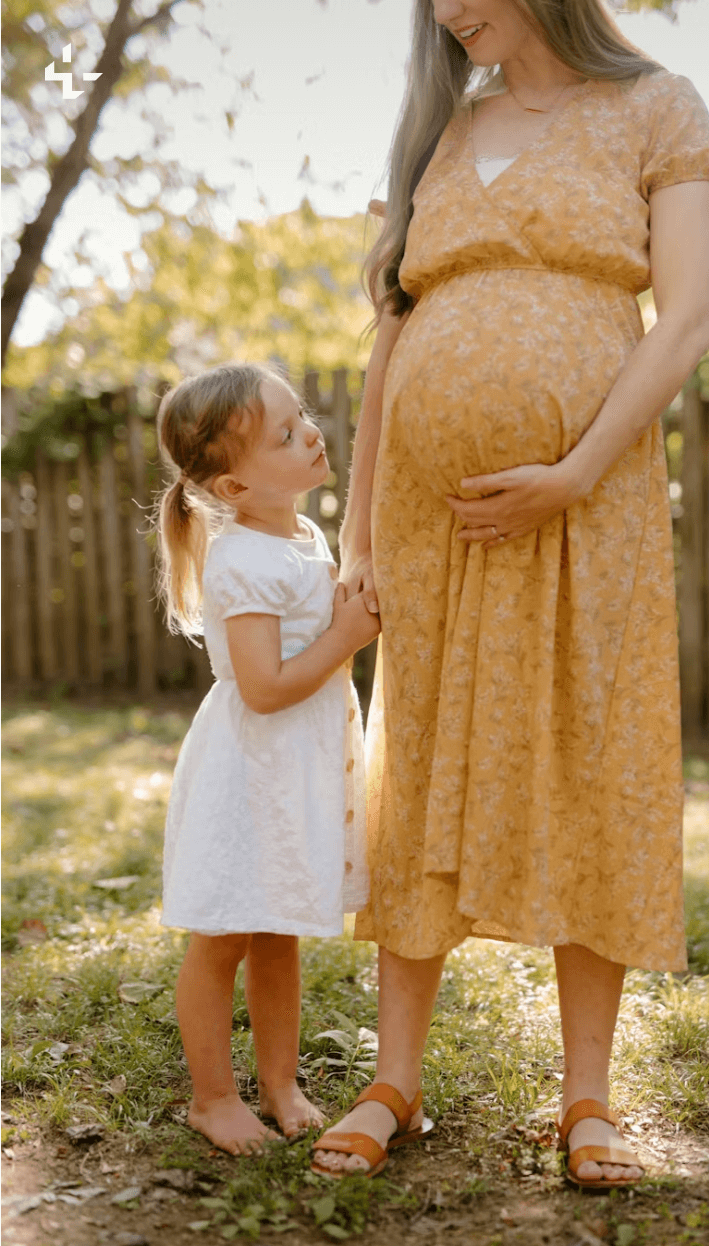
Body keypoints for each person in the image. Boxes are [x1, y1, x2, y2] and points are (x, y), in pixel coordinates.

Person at [311, 0, 709, 1191]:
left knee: (590, 751)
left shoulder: (657, 106)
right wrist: (357, 524)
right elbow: (394, 333)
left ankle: (588, 1094)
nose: (446, 11)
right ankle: (396, 1075)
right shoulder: (443, 127)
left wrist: (575, 468)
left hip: (586, 499)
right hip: (426, 515)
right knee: (425, 749)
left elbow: (687, 315)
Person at [155, 363, 380, 1156]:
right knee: (222, 936)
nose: (310, 433)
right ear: (232, 487)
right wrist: (346, 640)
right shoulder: (244, 559)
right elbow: (264, 687)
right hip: (251, 777)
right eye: (284, 435)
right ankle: (213, 1098)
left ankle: (281, 1084)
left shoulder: (302, 536)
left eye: (302, 417)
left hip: (296, 775)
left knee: (278, 927)